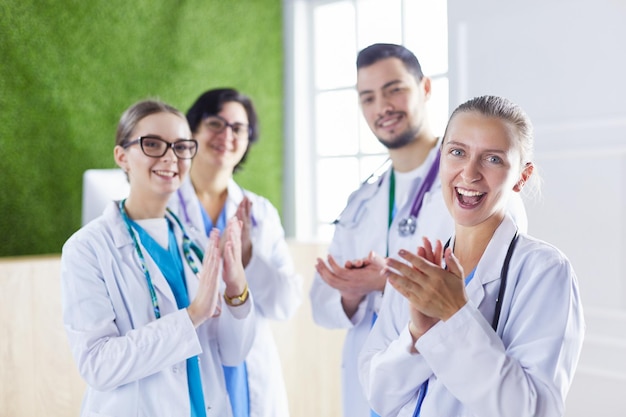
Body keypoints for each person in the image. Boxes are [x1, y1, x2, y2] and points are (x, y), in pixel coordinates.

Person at [309, 43, 528, 417]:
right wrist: (349, 291)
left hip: (447, 384)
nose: (382, 107)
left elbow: (492, 285)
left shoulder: (476, 187)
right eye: (368, 97)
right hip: (373, 381)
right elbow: (320, 305)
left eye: (394, 89)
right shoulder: (362, 199)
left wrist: (387, 282)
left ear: (425, 88)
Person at [359, 95, 585, 417]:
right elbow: (379, 395)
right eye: (457, 152)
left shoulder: (544, 272)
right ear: (441, 159)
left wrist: (455, 315)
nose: (469, 174)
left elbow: (534, 411)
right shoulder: (420, 267)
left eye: (492, 159)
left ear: (522, 177)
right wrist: (418, 335)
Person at [61, 99, 256, 417]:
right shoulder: (87, 249)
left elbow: (234, 353)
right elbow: (98, 365)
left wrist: (236, 289)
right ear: (121, 157)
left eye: (181, 147)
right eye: (153, 144)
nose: (170, 157)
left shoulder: (196, 243)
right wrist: (192, 316)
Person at [168, 88, 303, 417]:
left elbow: (285, 304)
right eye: (215, 123)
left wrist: (247, 256)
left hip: (245, 365)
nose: (226, 135)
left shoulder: (261, 213)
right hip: (184, 359)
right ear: (193, 130)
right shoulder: (164, 205)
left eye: (239, 128)